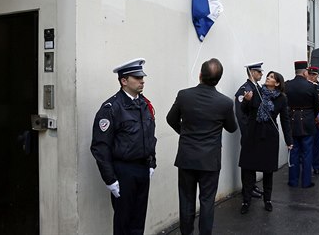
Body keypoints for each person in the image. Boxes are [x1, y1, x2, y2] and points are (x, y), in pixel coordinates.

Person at [166, 58, 237, 235]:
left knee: (186, 200)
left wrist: (184, 133)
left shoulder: (184, 95)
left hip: (187, 157)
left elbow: (170, 119)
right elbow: (232, 128)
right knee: (207, 202)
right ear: (218, 79)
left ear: (200, 75)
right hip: (210, 160)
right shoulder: (225, 102)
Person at [90, 58, 157, 235]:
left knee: (138, 221)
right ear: (124, 81)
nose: (142, 80)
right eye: (137, 77)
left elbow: (150, 136)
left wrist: (152, 162)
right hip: (124, 171)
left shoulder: (144, 104)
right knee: (123, 221)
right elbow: (100, 147)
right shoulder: (112, 108)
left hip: (142, 168)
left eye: (142, 76)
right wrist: (110, 179)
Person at [238, 71, 292, 214]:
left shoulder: (282, 98)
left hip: (269, 136)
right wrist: (246, 101)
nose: (268, 78)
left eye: (272, 77)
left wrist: (289, 140)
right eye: (268, 76)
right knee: (248, 169)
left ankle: (267, 200)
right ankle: (246, 200)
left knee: (268, 170)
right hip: (252, 134)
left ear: (278, 83)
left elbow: (285, 120)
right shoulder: (256, 91)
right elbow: (244, 110)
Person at [285, 61, 319, 188]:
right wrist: (311, 115)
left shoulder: (287, 85)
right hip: (308, 121)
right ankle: (306, 182)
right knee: (307, 152)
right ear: (305, 72)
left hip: (292, 121)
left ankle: (293, 181)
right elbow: (316, 106)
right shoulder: (311, 86)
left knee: (293, 151)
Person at [234, 62, 265, 200]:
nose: (261, 74)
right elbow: (241, 115)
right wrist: (248, 133)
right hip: (249, 133)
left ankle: (251, 185)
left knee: (253, 161)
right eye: (259, 72)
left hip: (256, 132)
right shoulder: (245, 90)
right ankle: (247, 188)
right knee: (247, 163)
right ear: (252, 72)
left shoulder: (257, 88)